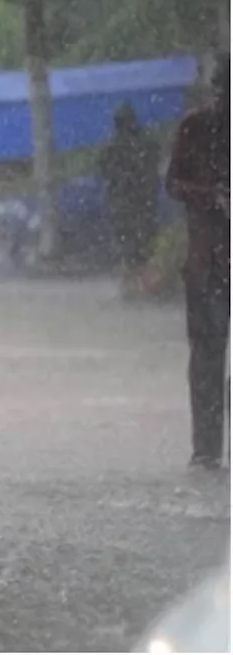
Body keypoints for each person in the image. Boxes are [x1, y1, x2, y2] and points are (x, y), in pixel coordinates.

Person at [165, 57, 231, 470]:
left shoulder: (198, 125)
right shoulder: (197, 127)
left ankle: (208, 450)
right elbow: (173, 183)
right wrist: (214, 195)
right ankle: (206, 449)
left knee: (207, 356)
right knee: (207, 356)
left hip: (207, 263)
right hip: (207, 263)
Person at [99, 104, 161, 297]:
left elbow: (104, 170)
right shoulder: (145, 143)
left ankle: (131, 287)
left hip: (125, 205)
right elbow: (153, 166)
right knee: (143, 246)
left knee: (128, 247)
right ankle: (143, 286)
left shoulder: (114, 146)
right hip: (143, 204)